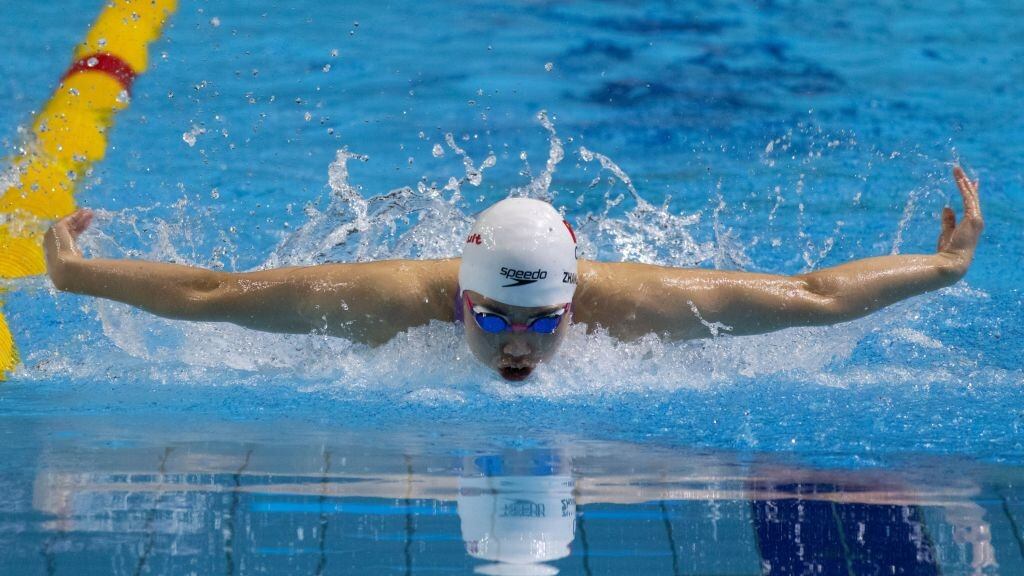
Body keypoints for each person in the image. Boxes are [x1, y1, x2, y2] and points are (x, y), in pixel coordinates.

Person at [44, 166, 983, 382]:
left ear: (575, 298)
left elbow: (815, 297)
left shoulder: (640, 310)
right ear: (459, 295)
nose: (519, 344)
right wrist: (79, 278)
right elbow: (213, 295)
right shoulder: (382, 306)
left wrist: (943, 271)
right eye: (494, 318)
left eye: (543, 322)